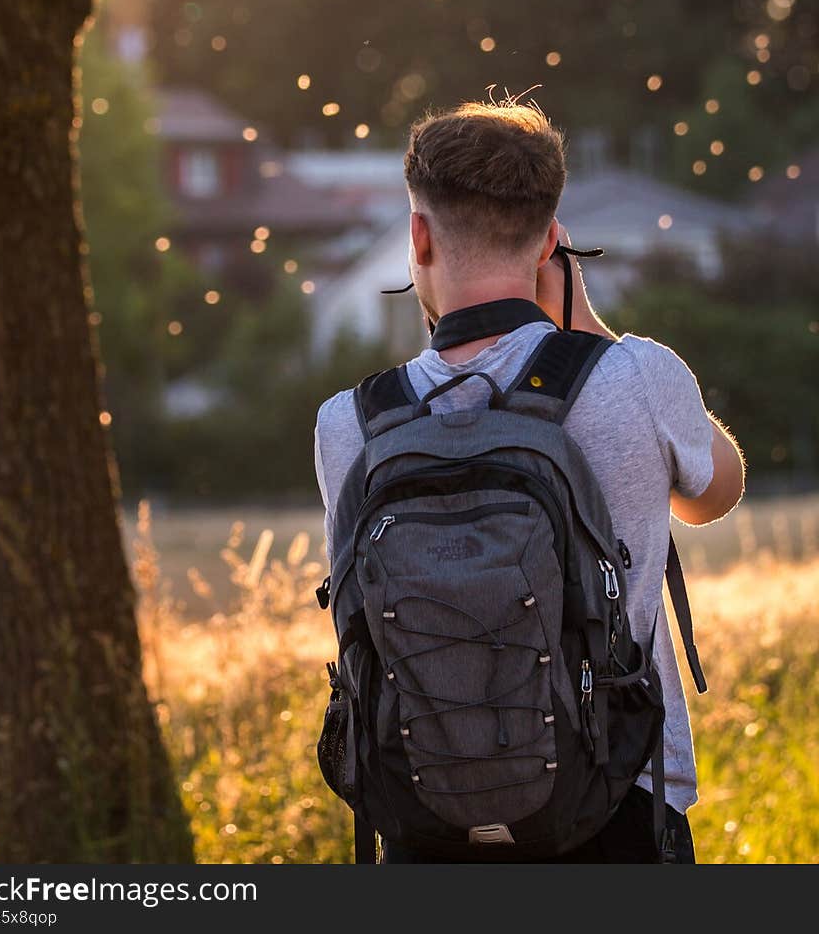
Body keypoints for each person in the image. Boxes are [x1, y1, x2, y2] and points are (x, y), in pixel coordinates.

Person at [313, 99, 745, 863]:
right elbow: (717, 492)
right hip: (617, 802)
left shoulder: (352, 424)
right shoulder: (638, 377)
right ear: (551, 241)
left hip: (422, 819)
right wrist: (583, 323)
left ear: (417, 237)